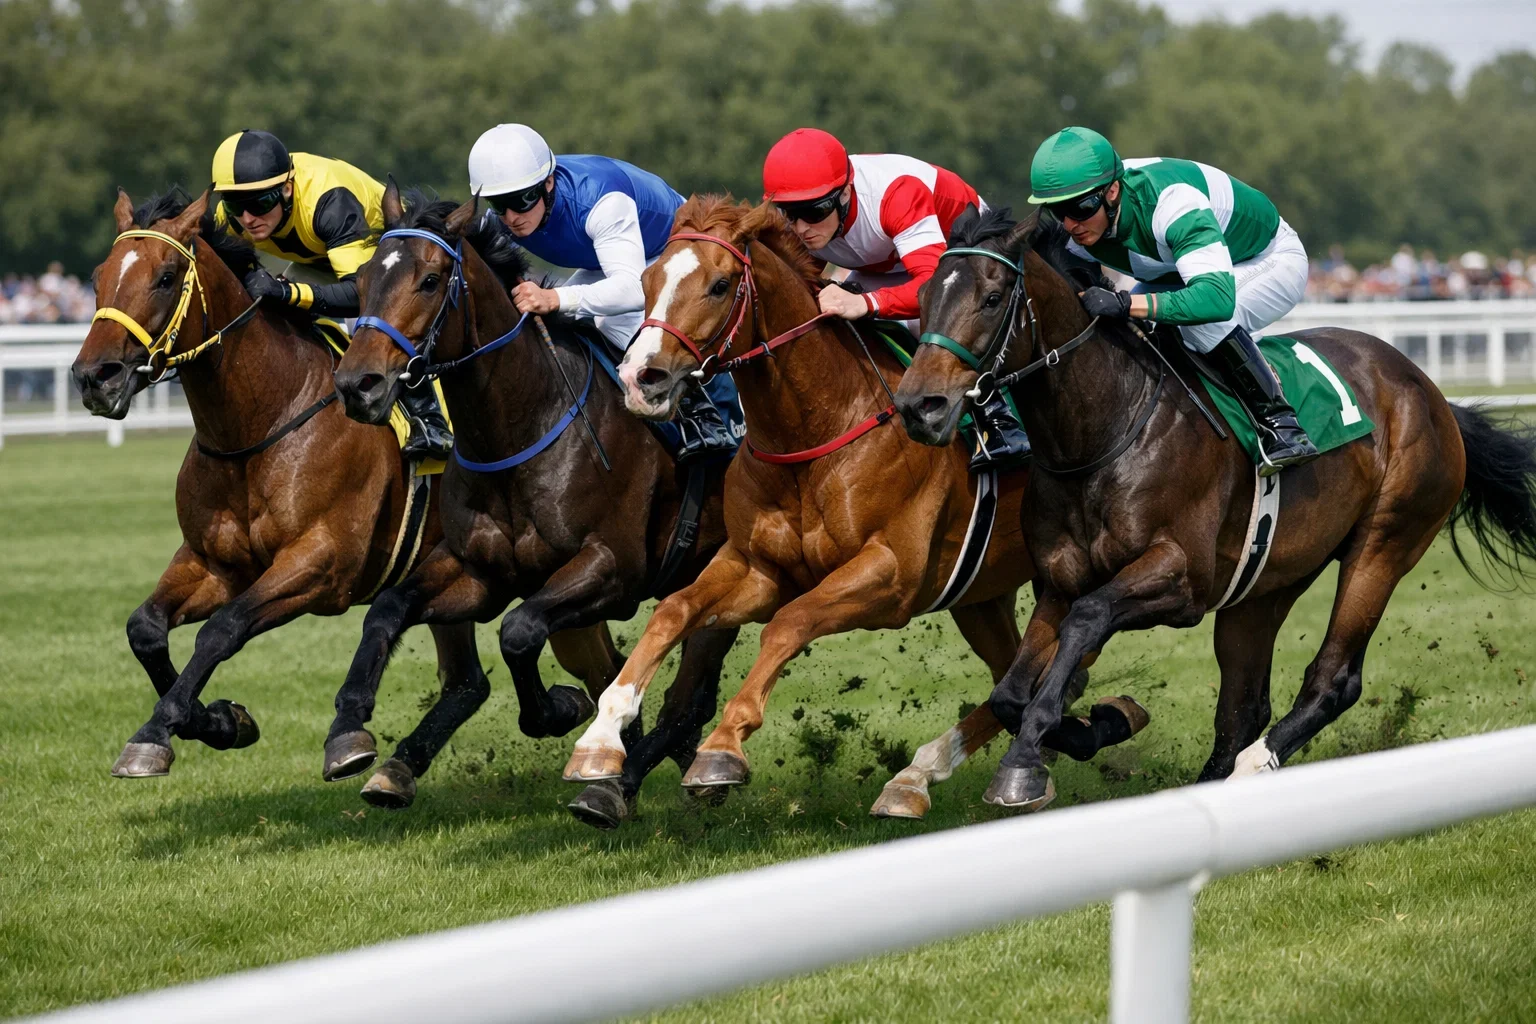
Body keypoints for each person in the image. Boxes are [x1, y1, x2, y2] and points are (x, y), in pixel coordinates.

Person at [1027, 126, 1319, 474]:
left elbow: (1215, 299)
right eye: (1058, 211)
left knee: (1201, 322)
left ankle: (1281, 424)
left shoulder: (1173, 203)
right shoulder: (1082, 222)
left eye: (1082, 207)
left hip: (1265, 258)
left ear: (1113, 190)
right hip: (1175, 271)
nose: (1071, 224)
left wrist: (1126, 303)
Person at [761, 128, 1030, 471]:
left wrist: (868, 303)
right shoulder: (809, 218)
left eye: (813, 212)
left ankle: (998, 418)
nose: (799, 228)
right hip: (885, 261)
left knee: (934, 324)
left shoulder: (896, 193)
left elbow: (930, 286)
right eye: (787, 213)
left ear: (844, 194)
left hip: (952, 259)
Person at [467, 124, 734, 462]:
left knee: (605, 316)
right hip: (608, 258)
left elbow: (630, 289)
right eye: (499, 204)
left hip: (673, 250)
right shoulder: (508, 215)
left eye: (521, 201)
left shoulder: (601, 203)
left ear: (548, 183)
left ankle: (706, 415)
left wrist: (554, 298)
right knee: (561, 316)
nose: (511, 218)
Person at [211, 129, 452, 459]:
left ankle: (430, 421)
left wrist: (287, 291)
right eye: (235, 205)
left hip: (394, 259)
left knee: (372, 324)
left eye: (261, 203)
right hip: (320, 257)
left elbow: (358, 295)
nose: (248, 218)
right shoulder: (232, 218)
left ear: (287, 188)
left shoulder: (329, 201)